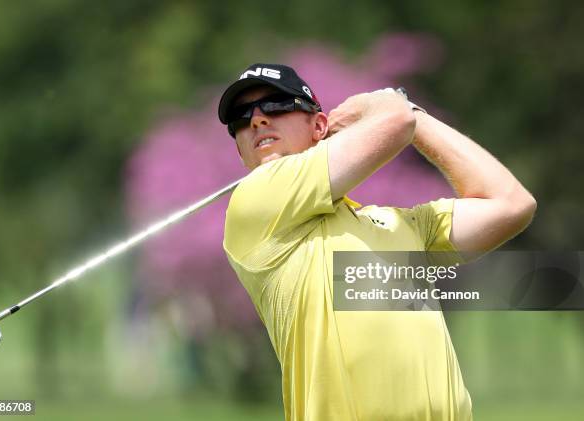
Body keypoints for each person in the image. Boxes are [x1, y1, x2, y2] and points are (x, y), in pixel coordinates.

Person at [217, 63, 536, 420]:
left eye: (276, 105)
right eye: (241, 117)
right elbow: (394, 123)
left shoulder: (397, 224)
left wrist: (417, 117)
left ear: (319, 126)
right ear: (241, 152)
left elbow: (511, 204)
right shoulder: (254, 201)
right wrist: (389, 106)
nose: (257, 119)